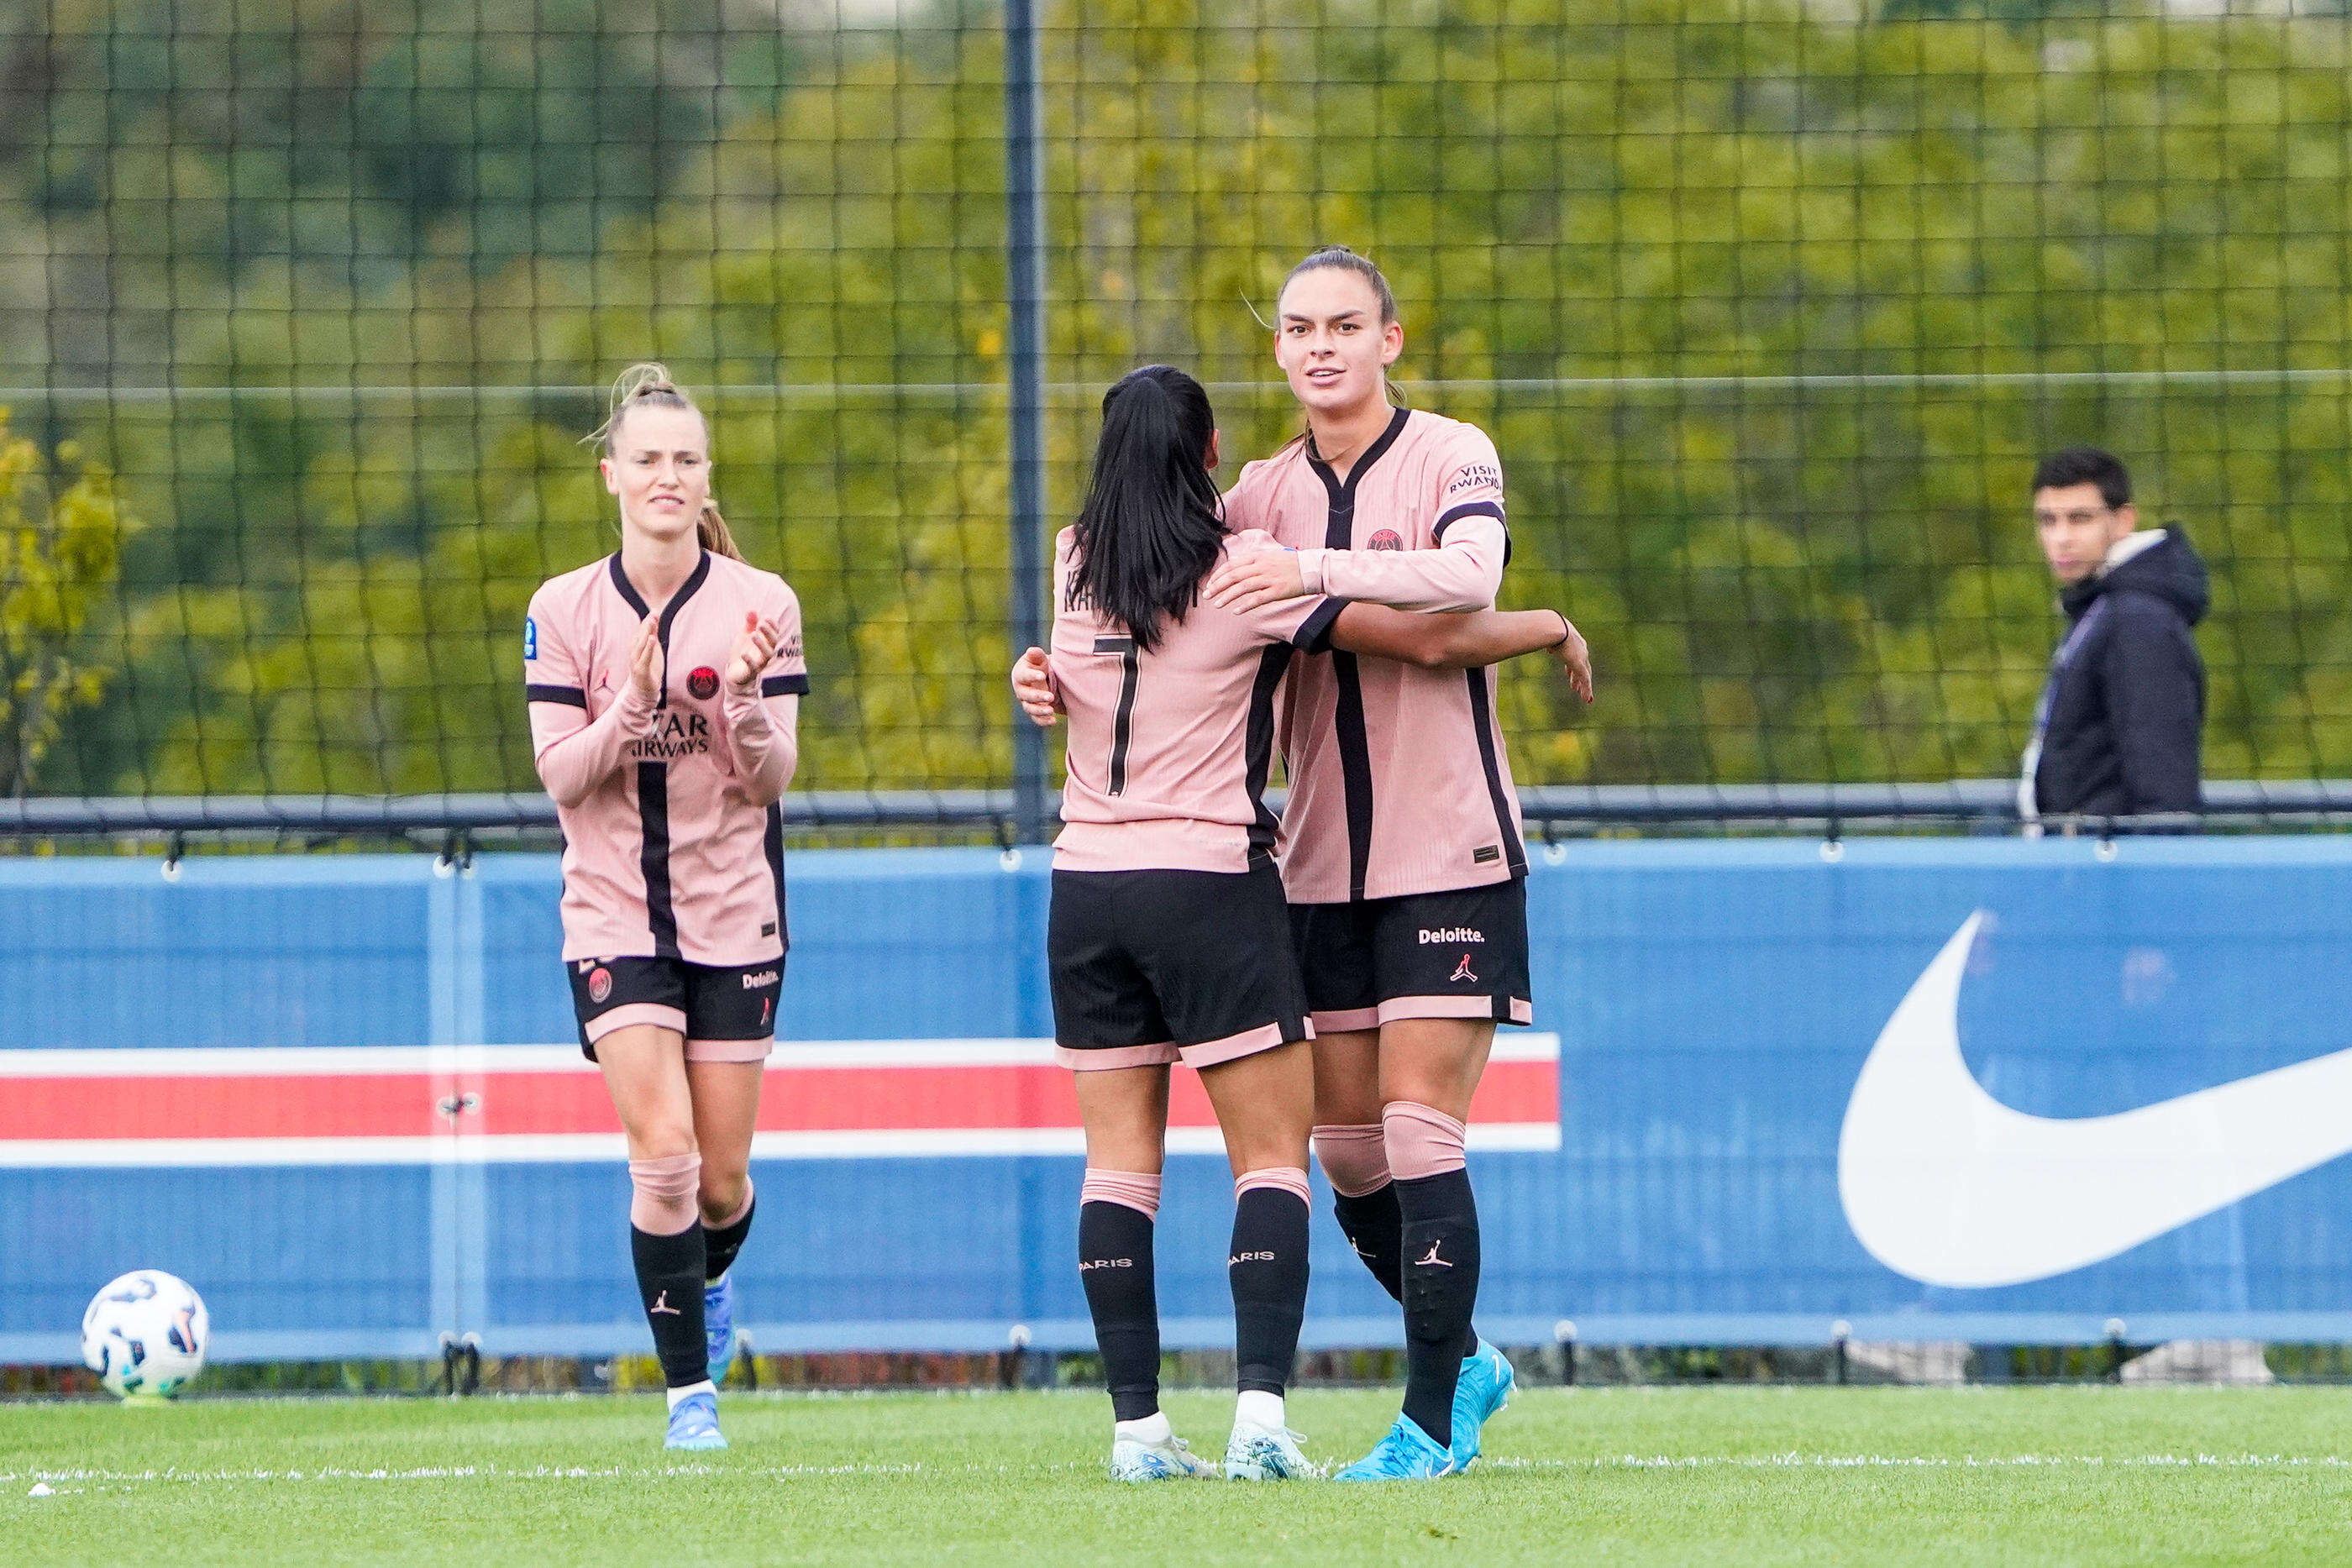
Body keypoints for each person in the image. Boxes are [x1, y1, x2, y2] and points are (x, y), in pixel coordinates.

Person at [1010, 363, 1584, 1483]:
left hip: (1083, 884)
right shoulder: (1240, 569)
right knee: (1275, 1157)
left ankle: (1136, 1434)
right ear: (1213, 455)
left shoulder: (1074, 558)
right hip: (1210, 877)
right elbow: (1422, 640)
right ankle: (1260, 1421)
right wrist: (1543, 624)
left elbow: (1076, 674)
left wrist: (1040, 679)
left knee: (1118, 1165)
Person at [1202, 244, 1552, 1480]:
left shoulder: (1456, 451)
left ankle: (1430, 1417)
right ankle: (1466, 1355)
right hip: (1316, 862)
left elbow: (1471, 579)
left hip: (1449, 844)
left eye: (1345, 324)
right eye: (1299, 328)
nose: (1320, 346)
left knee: (1417, 1129)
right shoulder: (1253, 492)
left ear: (1390, 338)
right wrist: (1063, 680)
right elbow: (1183, 607)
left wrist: (1312, 570)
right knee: (1346, 1148)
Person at [522, 364, 806, 1450]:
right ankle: (692, 1398)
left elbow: (773, 778)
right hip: (613, 916)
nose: (667, 476)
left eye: (686, 458)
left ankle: (706, 1283)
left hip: (734, 913)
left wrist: (736, 701)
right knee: (668, 1155)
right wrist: (631, 706)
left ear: (706, 474)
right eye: (647, 458)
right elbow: (563, 775)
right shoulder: (564, 608)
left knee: (724, 1182)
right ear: (612, 475)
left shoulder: (761, 601)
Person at [2021, 446, 2208, 826]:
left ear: (2123, 521)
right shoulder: (2103, 607)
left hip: (2108, 871)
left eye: (2080, 519)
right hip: (2081, 861)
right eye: (2047, 521)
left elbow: (2165, 790)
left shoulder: (2139, 621)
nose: (2061, 538)